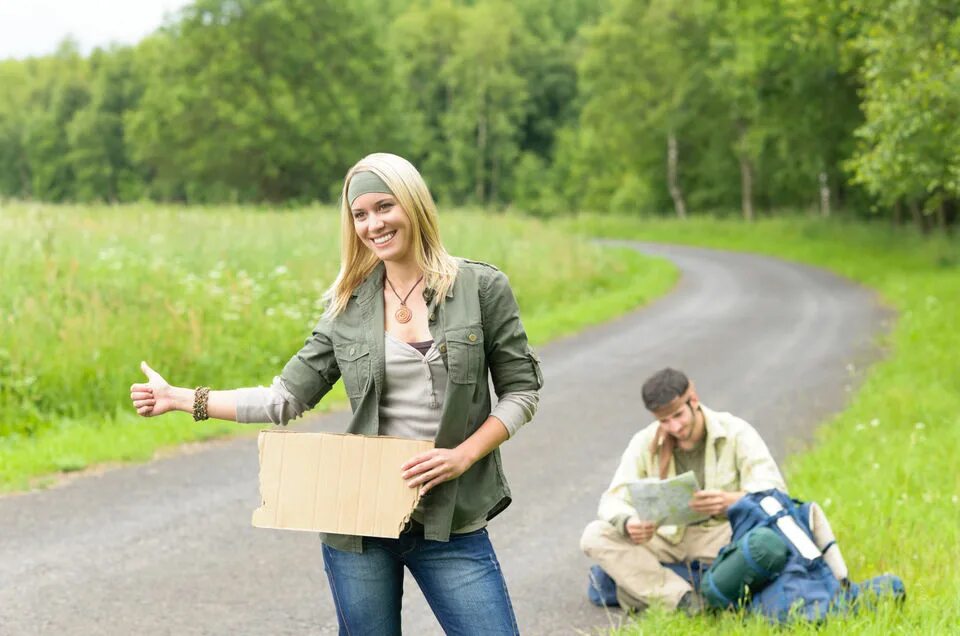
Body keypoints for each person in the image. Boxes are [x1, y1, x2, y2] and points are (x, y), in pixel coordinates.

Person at [129, 152, 543, 635]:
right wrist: (183, 399)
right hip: (358, 520)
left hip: (451, 520)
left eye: (385, 206)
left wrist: (462, 456)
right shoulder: (347, 305)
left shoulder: (481, 287)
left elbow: (522, 391)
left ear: (414, 204)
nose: (374, 224)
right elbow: (284, 399)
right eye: (360, 214)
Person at [579, 367, 785, 614]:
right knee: (595, 535)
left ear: (693, 400)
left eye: (678, 415)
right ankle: (685, 600)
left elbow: (774, 490)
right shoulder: (646, 441)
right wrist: (629, 522)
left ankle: (638, 589)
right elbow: (613, 499)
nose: (674, 427)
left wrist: (729, 501)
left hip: (720, 535)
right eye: (664, 421)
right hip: (667, 537)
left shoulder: (735, 431)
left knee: (768, 542)